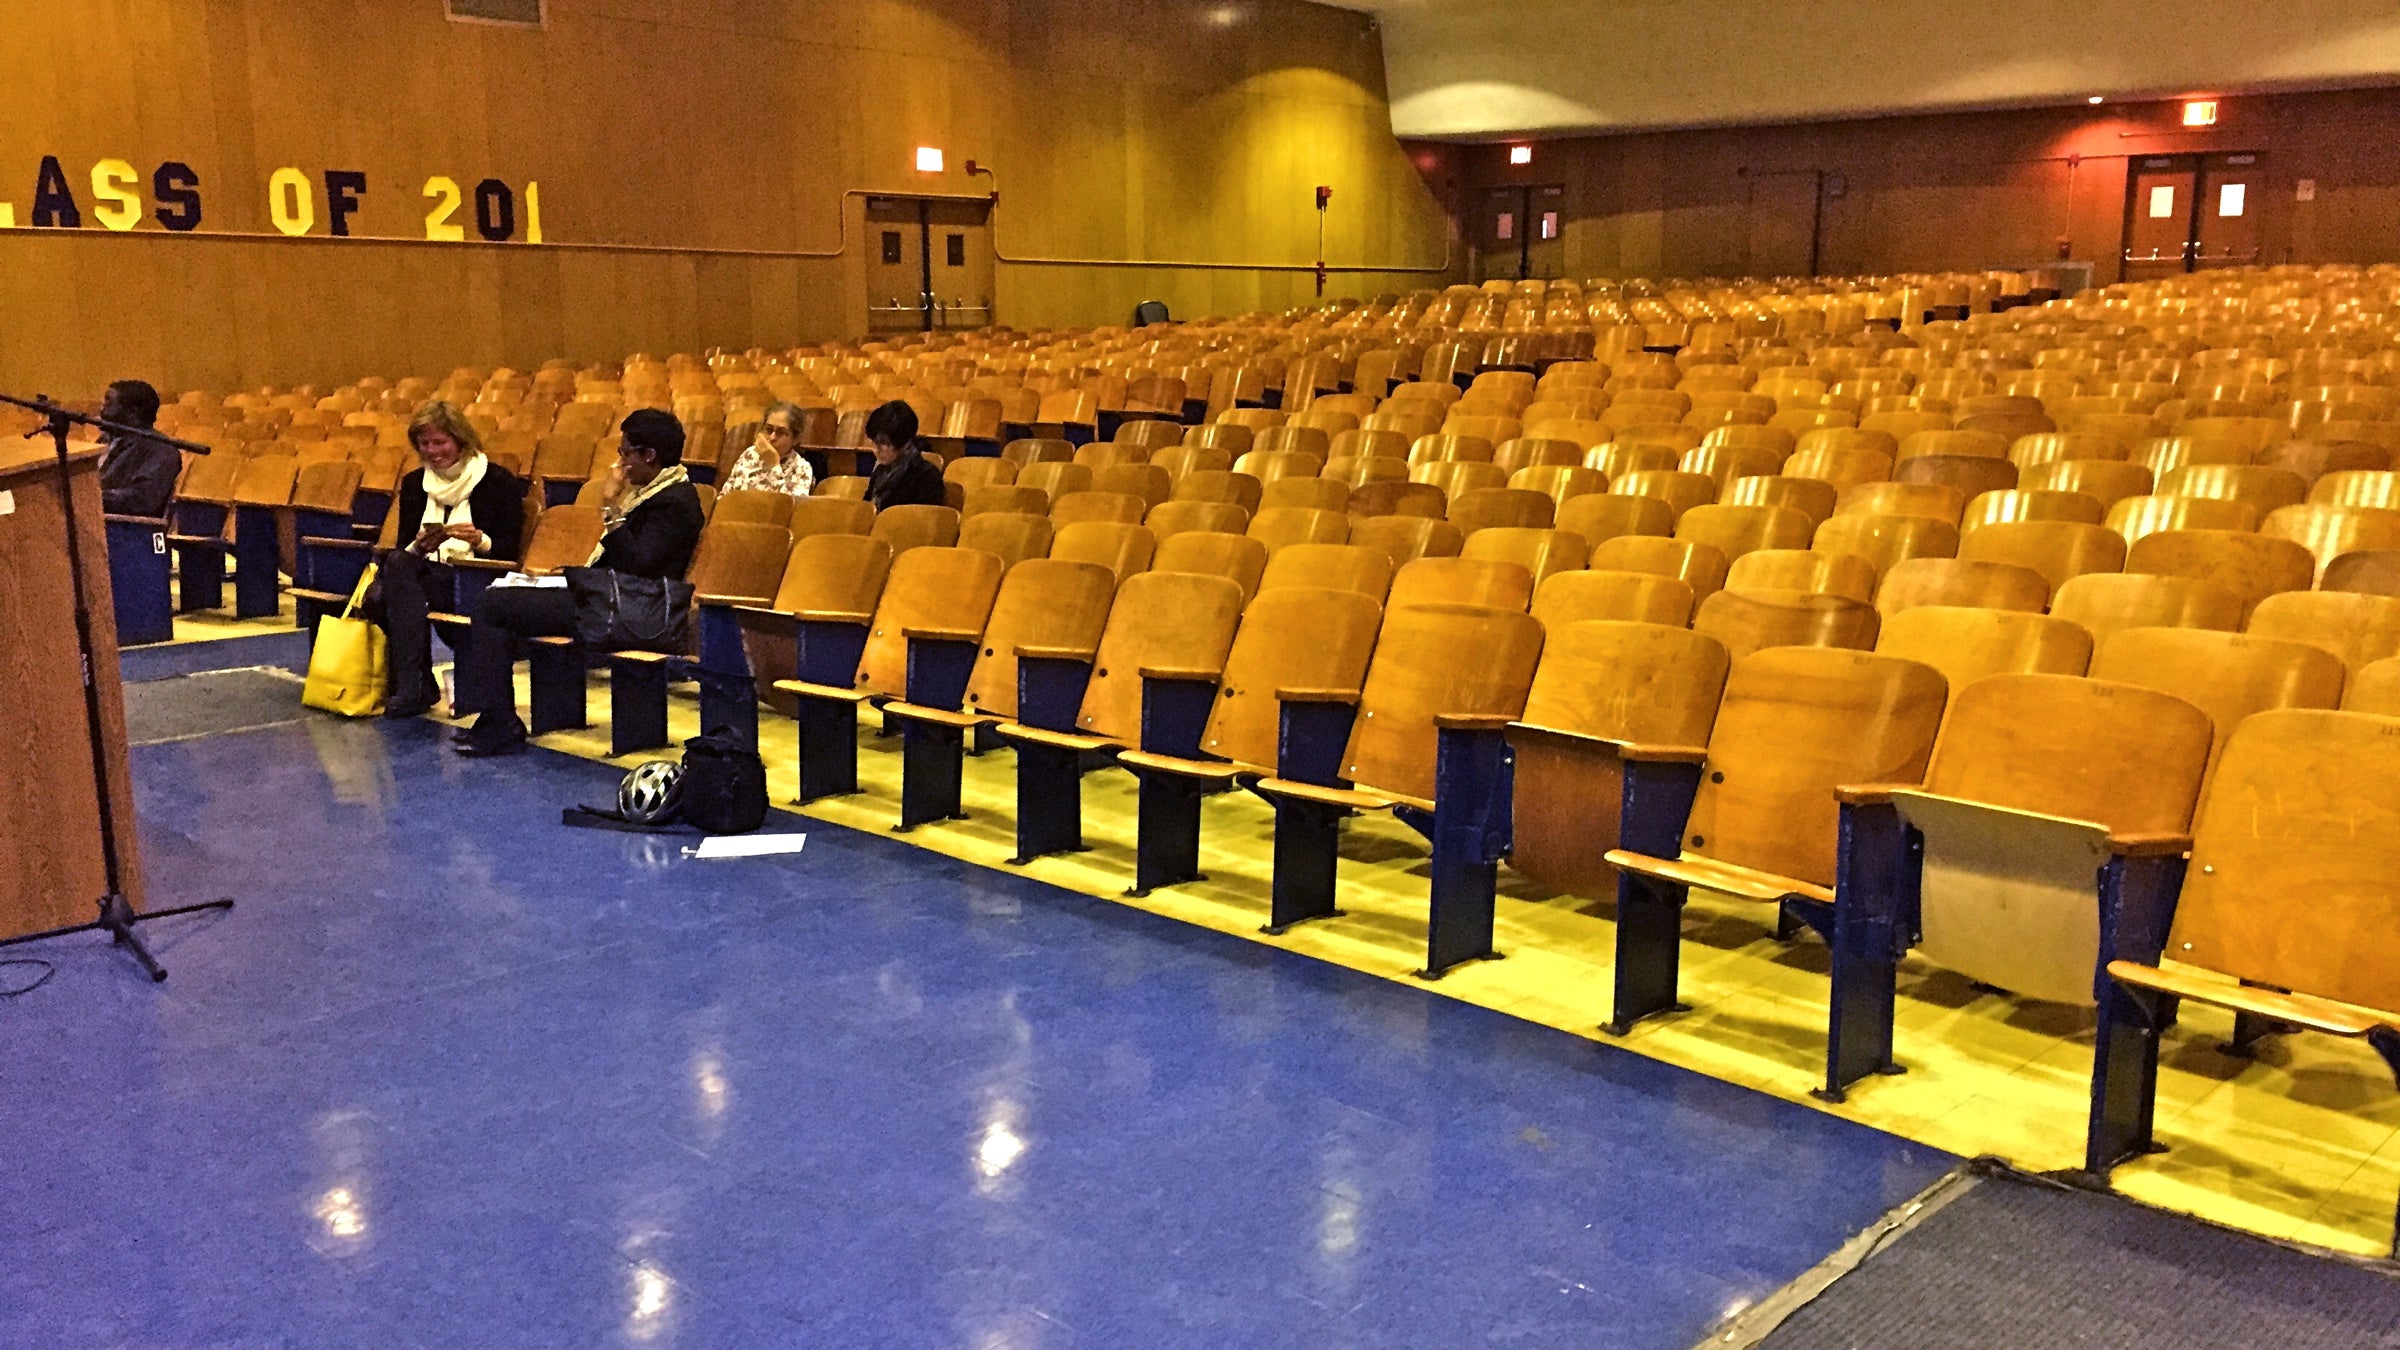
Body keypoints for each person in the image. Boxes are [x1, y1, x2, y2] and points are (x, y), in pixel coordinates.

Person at [451, 408, 705, 756]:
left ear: (649, 455)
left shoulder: (677, 502)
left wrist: (610, 507)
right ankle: (497, 718)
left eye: (625, 452)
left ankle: (500, 722)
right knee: (498, 597)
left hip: (636, 608)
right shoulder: (654, 494)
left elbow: (639, 564)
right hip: (612, 598)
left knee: (491, 606)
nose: (621, 461)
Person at [375, 402, 526, 719]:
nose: (432, 451)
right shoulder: (415, 483)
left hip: (476, 576)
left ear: (461, 440)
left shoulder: (497, 480)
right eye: (424, 444)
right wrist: (420, 545)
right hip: (428, 573)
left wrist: (479, 540)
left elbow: (509, 549)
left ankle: (413, 686)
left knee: (387, 590)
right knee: (392, 576)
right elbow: (404, 547)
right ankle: (415, 684)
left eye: (440, 442)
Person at [96, 379, 179, 518]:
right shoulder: (105, 441)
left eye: (109, 402)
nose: (101, 409)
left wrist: (90, 497)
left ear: (133, 412)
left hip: (128, 531)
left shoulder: (160, 449)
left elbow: (142, 499)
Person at [719, 401, 815, 498]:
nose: (772, 437)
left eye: (781, 432)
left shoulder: (801, 468)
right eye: (769, 430)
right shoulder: (749, 454)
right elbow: (725, 495)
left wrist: (774, 466)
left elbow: (790, 507)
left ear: (795, 439)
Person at [862, 400, 947, 509]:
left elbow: (923, 520)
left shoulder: (927, 476)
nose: (876, 450)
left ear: (905, 444)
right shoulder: (881, 471)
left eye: (884, 443)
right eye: (874, 442)